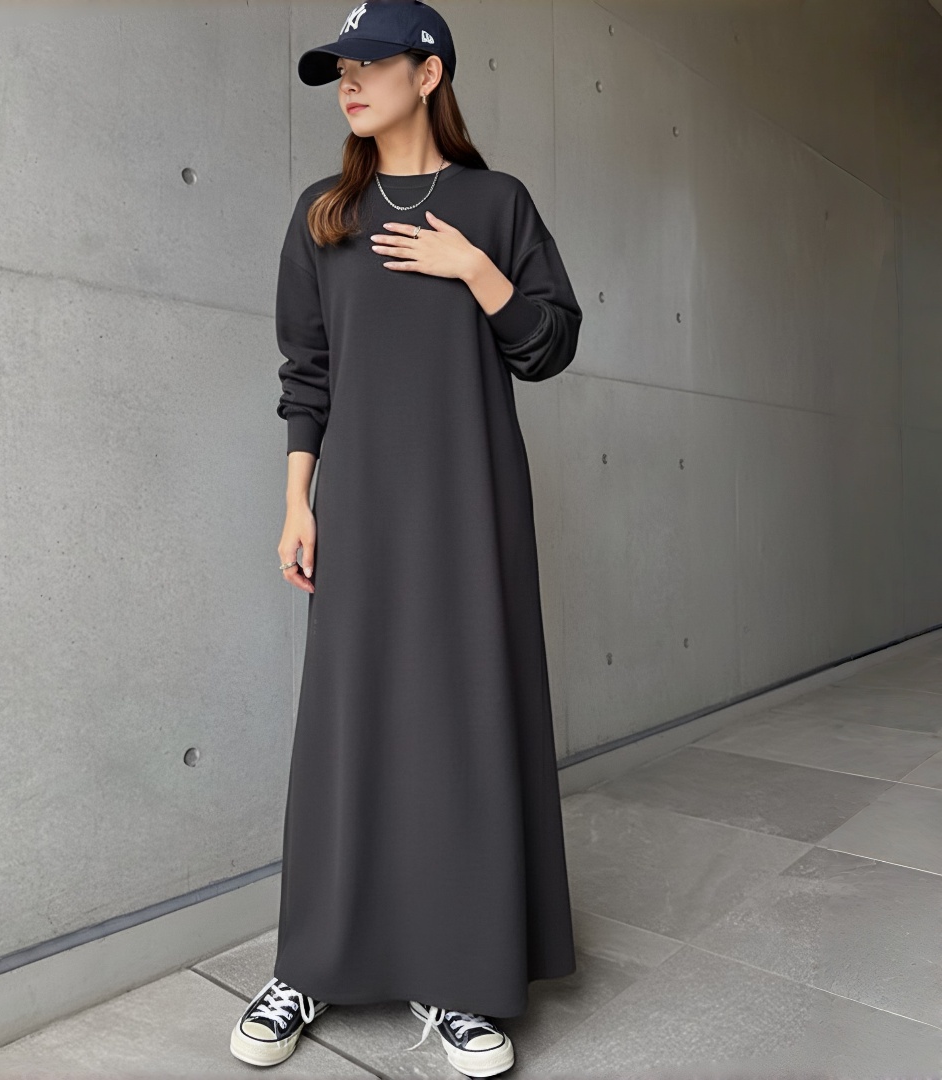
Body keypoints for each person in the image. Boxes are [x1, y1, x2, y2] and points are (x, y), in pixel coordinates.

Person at [230, 1, 582, 1074]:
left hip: (473, 501)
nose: (349, 81)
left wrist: (476, 270)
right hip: (364, 508)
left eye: (369, 63)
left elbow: (549, 344)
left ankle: (460, 975)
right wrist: (299, 502)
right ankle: (312, 965)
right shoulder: (323, 217)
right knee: (349, 725)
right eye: (338, 68)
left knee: (464, 718)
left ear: (428, 74)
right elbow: (308, 375)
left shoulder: (496, 203)